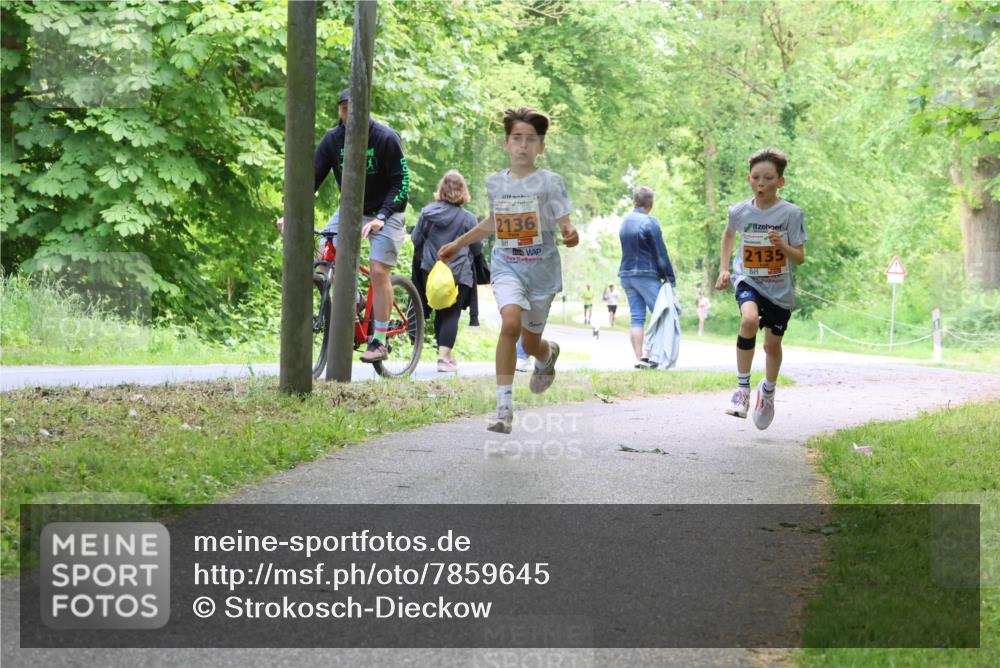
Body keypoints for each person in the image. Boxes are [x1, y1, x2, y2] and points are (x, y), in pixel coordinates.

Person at [438, 107, 579, 434]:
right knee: (510, 322)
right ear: (506, 144)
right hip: (508, 266)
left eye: (531, 140)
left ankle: (547, 354)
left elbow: (566, 226)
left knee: (530, 345)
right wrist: (459, 243)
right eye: (517, 138)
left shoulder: (551, 183)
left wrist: (570, 234)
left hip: (541, 272)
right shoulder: (495, 184)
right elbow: (494, 223)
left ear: (541, 147)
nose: (523, 145)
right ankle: (503, 406)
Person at [279, 88, 410, 364]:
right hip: (351, 209)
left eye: (353, 108)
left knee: (378, 269)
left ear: (365, 109)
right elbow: (310, 180)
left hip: (388, 211)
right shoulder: (333, 140)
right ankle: (356, 298)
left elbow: (402, 184)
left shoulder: (385, 138)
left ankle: (379, 339)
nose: (348, 114)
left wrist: (381, 217)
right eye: (343, 109)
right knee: (325, 259)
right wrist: (290, 214)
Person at [715, 147, 807, 429]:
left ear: (781, 182)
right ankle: (742, 390)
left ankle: (767, 391)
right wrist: (724, 268)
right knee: (748, 320)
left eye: (768, 178)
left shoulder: (791, 213)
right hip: (748, 280)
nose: (761, 183)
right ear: (749, 179)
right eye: (756, 177)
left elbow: (800, 258)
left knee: (771, 345)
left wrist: (782, 246)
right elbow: (729, 234)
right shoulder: (739, 211)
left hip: (779, 289)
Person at [411, 170, 480, 372]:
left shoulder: (427, 213)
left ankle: (446, 356)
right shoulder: (469, 219)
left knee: (440, 310)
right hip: (458, 273)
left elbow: (416, 240)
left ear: (441, 189)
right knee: (451, 314)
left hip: (430, 272)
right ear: (463, 191)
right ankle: (443, 359)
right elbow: (476, 249)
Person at [617, 186, 676, 369]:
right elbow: (660, 252)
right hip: (646, 274)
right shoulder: (650, 222)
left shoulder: (624, 222)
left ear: (635, 201)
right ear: (650, 203)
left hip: (626, 274)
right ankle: (649, 356)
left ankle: (639, 358)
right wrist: (669, 277)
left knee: (636, 317)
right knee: (661, 314)